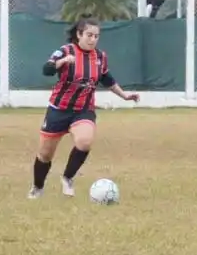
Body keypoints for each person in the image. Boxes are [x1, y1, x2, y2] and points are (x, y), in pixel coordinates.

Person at [28, 16, 140, 199]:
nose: (93, 39)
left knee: (85, 141)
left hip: (83, 109)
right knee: (45, 155)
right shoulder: (65, 51)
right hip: (58, 109)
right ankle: (37, 187)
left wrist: (125, 95)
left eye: (96, 36)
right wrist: (62, 62)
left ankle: (68, 178)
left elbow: (107, 79)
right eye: (89, 35)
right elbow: (47, 69)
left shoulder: (100, 57)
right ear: (79, 34)